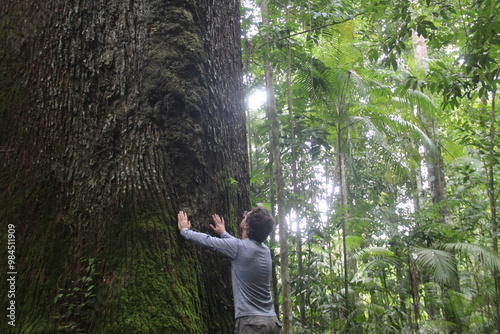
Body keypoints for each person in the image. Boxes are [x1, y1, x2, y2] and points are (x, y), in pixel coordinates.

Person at [177, 207, 282, 334]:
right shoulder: (265, 250)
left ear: (246, 226)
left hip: (252, 324)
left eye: (245, 216)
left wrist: (184, 231)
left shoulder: (238, 248)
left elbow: (209, 241)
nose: (243, 216)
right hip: (273, 322)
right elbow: (240, 247)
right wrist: (224, 233)